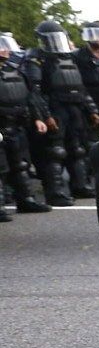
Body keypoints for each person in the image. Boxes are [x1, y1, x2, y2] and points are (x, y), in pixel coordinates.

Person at [24, 20, 99, 203]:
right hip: (55, 107)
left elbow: (80, 87)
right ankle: (55, 192)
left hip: (74, 108)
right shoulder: (37, 59)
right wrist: (45, 115)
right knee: (55, 151)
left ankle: (80, 185)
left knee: (78, 149)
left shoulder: (69, 58)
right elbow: (35, 91)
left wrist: (91, 109)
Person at [0, 34, 52, 217]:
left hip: (17, 125)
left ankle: (26, 200)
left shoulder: (16, 70)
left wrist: (38, 118)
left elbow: (30, 97)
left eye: (5, 46)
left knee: (20, 165)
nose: (4, 50)